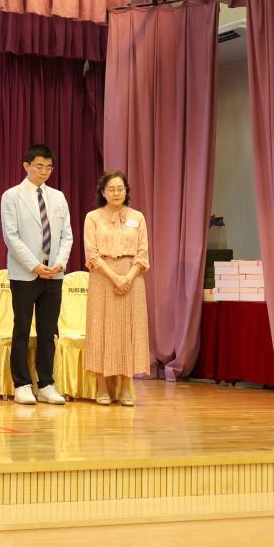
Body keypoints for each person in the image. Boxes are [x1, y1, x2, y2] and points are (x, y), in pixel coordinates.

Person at [0, 144, 73, 406]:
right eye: (39, 166)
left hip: (54, 274)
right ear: (26, 166)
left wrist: (59, 263)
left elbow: (67, 235)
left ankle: (46, 383)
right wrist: (34, 265)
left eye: (49, 167)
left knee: (47, 331)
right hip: (25, 274)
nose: (44, 171)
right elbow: (11, 236)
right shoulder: (11, 196)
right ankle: (21, 384)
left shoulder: (58, 197)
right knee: (21, 328)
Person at [83, 170, 150, 406]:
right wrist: (115, 278)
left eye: (120, 188)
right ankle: (102, 385)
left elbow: (142, 253)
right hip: (103, 277)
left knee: (129, 331)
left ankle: (126, 385)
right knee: (101, 330)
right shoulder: (93, 217)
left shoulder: (137, 217)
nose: (116, 193)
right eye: (111, 189)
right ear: (103, 192)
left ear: (126, 191)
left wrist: (128, 277)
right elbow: (91, 254)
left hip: (133, 278)